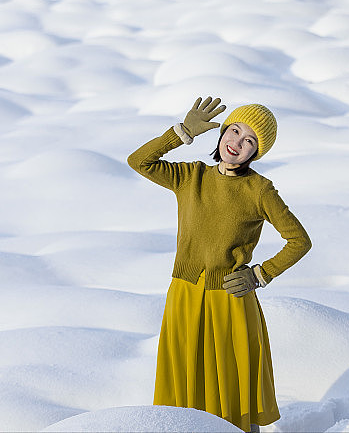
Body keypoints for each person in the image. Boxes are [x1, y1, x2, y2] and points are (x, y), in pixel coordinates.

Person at [127, 96, 312, 433]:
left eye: (250, 141)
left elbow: (299, 240)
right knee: (185, 385)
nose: (237, 143)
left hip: (230, 301)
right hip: (184, 297)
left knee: (230, 388)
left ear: (256, 153)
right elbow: (139, 161)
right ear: (223, 130)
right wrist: (179, 133)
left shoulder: (259, 190)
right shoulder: (190, 177)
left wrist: (260, 275)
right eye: (235, 131)